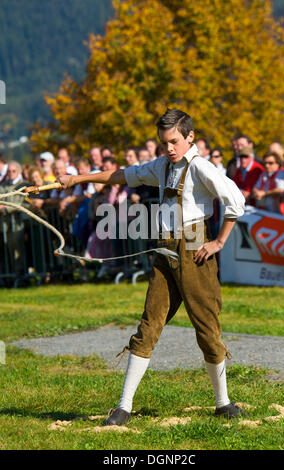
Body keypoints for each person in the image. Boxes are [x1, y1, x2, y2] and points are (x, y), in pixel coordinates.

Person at [57, 108, 246, 424]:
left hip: (195, 253)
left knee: (207, 330)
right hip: (164, 252)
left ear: (189, 137)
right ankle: (123, 406)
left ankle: (223, 402)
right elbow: (123, 174)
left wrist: (218, 243)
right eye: (164, 143)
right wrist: (78, 178)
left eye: (173, 142)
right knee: (148, 326)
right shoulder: (161, 166)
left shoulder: (201, 168)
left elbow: (235, 201)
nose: (169, 148)